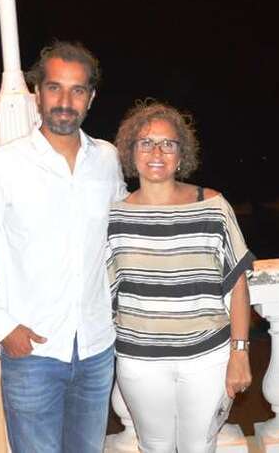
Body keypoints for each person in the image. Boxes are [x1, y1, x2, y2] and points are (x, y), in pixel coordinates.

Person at [0, 40, 126, 453]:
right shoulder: (3, 165)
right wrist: (2, 326)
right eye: (54, 88)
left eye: (77, 90)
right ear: (37, 94)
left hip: (97, 349)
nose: (65, 102)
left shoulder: (107, 159)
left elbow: (122, 236)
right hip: (32, 353)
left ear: (91, 98)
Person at [107, 100, 254, 453]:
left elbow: (238, 283)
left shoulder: (212, 206)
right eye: (146, 143)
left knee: (199, 446)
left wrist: (240, 352)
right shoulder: (113, 217)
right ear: (131, 151)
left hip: (207, 357)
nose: (157, 152)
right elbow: (103, 292)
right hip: (140, 360)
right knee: (154, 446)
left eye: (167, 144)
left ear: (181, 153)